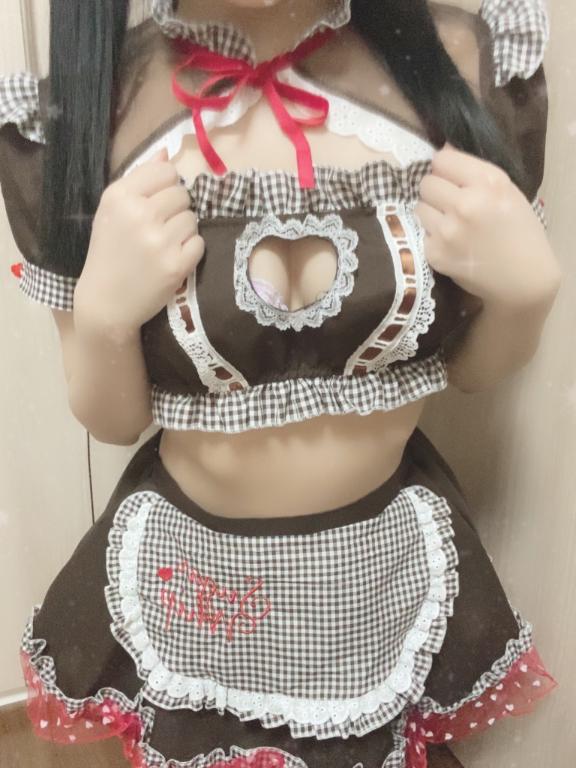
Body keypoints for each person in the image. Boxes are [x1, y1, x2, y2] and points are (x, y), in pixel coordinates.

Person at [0, 1, 561, 766]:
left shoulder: (461, 63)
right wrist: (102, 318)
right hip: (198, 576)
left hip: (377, 570)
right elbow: (112, 418)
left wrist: (526, 298)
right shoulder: (96, 105)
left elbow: (469, 371)